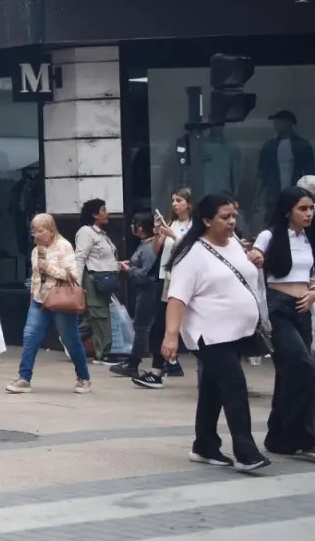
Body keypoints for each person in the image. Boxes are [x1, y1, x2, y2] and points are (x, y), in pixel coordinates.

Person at [163, 192, 270, 472]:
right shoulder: (192, 255)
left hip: (237, 332)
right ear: (207, 220)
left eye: (234, 215)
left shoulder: (234, 243)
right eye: (225, 217)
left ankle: (205, 446)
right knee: (234, 386)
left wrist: (255, 259)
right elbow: (177, 298)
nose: (232, 221)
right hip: (209, 335)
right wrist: (170, 335)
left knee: (212, 389)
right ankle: (246, 452)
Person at [246, 186, 315, 460]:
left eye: (311, 208)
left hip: (303, 309)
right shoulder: (270, 235)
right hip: (277, 308)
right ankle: (304, 435)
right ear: (288, 210)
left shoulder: (310, 238)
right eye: (303, 208)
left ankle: (279, 437)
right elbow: (252, 261)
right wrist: (256, 257)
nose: (309, 213)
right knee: (304, 366)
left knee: (290, 374)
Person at [6, 214, 92, 394]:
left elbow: (73, 275)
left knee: (71, 340)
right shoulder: (35, 251)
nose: (37, 235)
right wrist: (31, 296)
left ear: (51, 230)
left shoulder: (64, 246)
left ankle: (83, 377)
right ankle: (24, 378)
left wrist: (49, 268)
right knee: (30, 336)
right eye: (34, 231)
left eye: (40, 231)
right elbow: (35, 277)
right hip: (39, 301)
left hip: (60, 301)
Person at [134, 188, 193, 389]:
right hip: (168, 279)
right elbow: (157, 250)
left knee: (191, 325)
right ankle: (157, 371)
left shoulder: (194, 225)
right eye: (173, 201)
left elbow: (190, 248)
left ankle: (173, 365)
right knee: (159, 325)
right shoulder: (173, 223)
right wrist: (160, 232)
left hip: (188, 278)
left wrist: (174, 235)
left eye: (179, 200)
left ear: (189, 203)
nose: (176, 205)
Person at [110, 213, 161, 378]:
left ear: (139, 227)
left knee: (141, 327)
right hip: (145, 290)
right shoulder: (145, 245)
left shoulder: (149, 247)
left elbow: (145, 273)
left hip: (148, 290)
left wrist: (128, 270)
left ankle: (134, 363)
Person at [75, 198, 121, 364]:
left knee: (93, 317)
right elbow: (80, 258)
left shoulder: (101, 234)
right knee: (100, 316)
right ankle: (103, 354)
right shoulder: (86, 233)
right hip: (93, 280)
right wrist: (77, 285)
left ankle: (70, 338)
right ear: (95, 214)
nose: (106, 213)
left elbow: (104, 257)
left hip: (105, 280)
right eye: (103, 210)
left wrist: (118, 265)